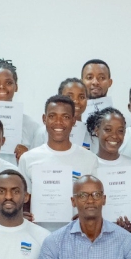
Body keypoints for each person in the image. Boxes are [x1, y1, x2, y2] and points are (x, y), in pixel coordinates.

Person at [18, 95, 100, 231]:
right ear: (44, 119)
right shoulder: (28, 159)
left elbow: (96, 200)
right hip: (37, 234)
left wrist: (86, 215)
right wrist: (22, 216)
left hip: (77, 234)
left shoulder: (89, 159)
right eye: (52, 116)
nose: (58, 122)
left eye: (65, 117)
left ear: (74, 121)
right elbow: (22, 200)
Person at [88, 107, 131, 231]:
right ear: (97, 131)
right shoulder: (87, 165)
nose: (114, 136)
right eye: (108, 130)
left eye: (120, 131)